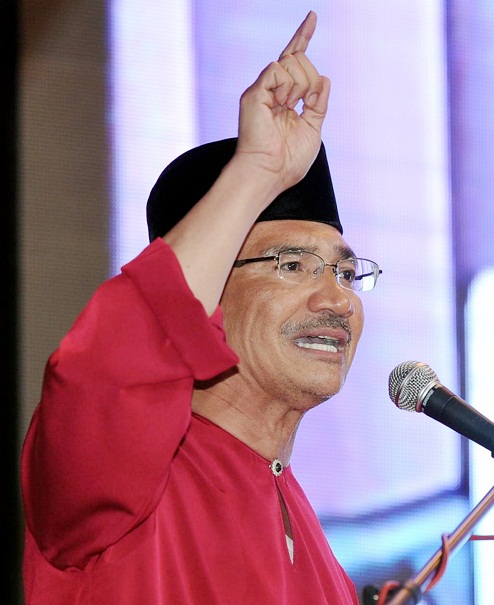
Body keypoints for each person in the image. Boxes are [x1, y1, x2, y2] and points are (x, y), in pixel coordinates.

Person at [20, 12, 377, 604]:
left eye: (344, 271)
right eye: (291, 265)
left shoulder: (306, 529)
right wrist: (257, 172)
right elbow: (123, 346)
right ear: (208, 299)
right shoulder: (117, 473)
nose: (336, 298)